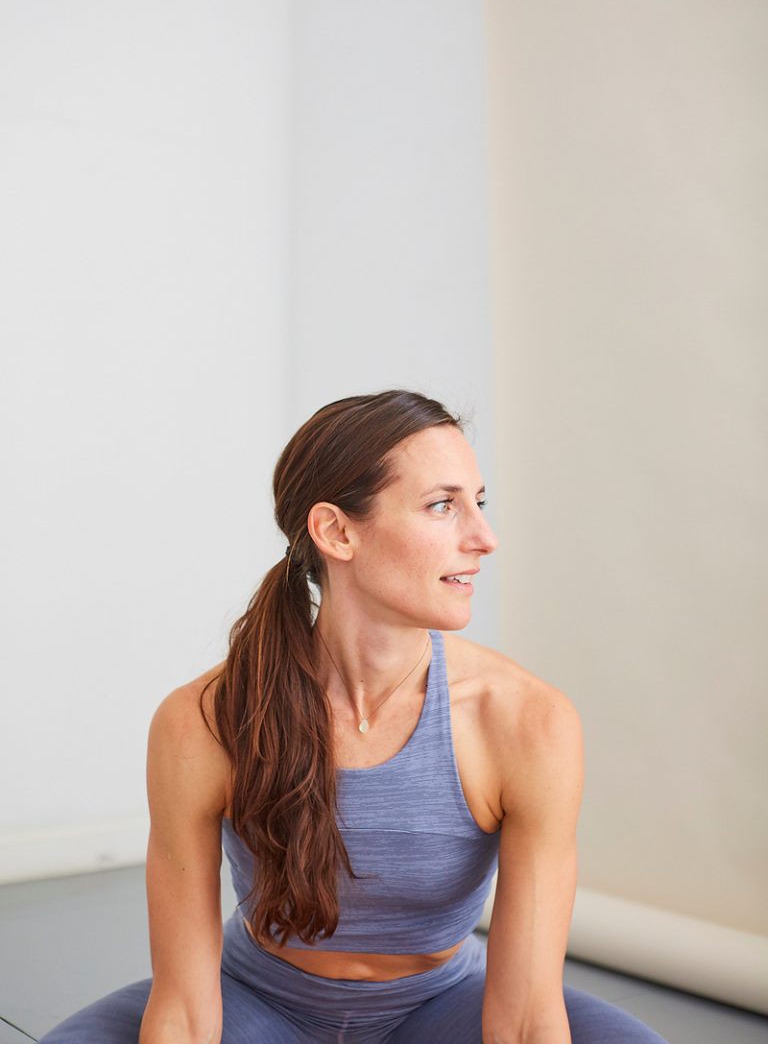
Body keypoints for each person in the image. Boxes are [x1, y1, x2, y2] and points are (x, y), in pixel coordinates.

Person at [41, 390, 667, 1044]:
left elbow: (527, 1020)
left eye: (478, 502)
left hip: (447, 1010)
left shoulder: (527, 722)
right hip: (254, 1005)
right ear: (337, 532)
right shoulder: (200, 722)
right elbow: (186, 1015)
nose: (484, 537)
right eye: (442, 506)